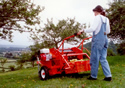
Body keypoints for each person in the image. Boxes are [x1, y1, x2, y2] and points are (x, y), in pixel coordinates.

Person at [78, 5, 112, 81]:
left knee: (94, 58)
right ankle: (108, 76)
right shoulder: (106, 19)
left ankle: (93, 76)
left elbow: (93, 28)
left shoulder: (97, 17)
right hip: (105, 39)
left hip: (98, 40)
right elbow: (108, 31)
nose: (94, 13)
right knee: (103, 58)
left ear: (96, 11)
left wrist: (83, 30)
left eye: (94, 11)